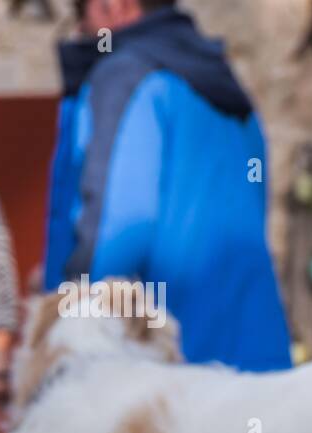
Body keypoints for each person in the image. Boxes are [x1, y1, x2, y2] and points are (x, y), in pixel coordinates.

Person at [46, 0, 291, 371]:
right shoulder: (227, 88)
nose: (81, 33)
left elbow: (122, 225)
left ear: (113, 6)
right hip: (255, 347)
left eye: (82, 17)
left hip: (163, 363)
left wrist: (68, 316)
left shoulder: (123, 76)